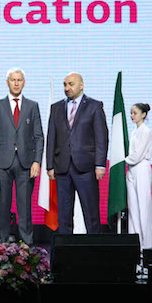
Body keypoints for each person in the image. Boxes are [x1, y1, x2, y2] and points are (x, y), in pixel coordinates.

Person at [0, 68, 44, 244]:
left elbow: (39, 137)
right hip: (1, 163)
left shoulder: (32, 106)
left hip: (26, 163)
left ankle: (27, 246)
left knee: (24, 206)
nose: (16, 83)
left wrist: (37, 161)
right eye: (13, 80)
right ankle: (1, 245)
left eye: (19, 80)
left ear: (24, 82)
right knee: (3, 206)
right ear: (7, 82)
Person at [46, 72, 108, 234]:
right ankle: (66, 248)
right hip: (62, 168)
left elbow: (101, 137)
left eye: (71, 84)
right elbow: (51, 137)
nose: (67, 88)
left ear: (81, 85)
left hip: (86, 167)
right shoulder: (56, 108)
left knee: (91, 212)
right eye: (65, 84)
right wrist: (50, 165)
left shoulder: (94, 106)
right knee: (64, 215)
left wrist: (100, 164)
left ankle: (94, 247)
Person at [125, 103, 152, 250]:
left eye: (135, 113)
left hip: (141, 167)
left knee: (143, 206)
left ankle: (147, 244)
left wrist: (123, 160)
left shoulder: (146, 131)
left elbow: (138, 155)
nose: (132, 115)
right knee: (133, 207)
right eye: (131, 113)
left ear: (143, 114)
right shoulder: (134, 132)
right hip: (131, 168)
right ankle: (136, 242)